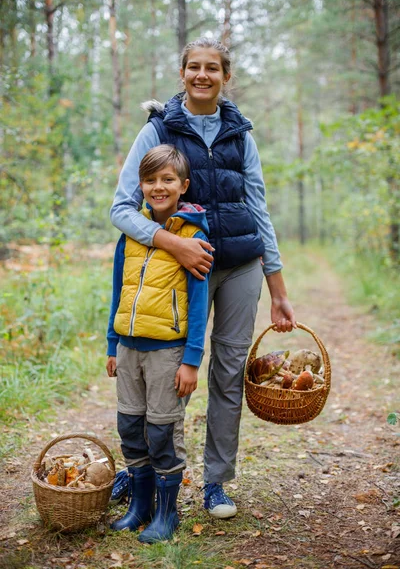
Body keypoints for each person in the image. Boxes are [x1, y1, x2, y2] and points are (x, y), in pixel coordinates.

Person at [110, 37, 296, 520]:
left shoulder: (241, 135)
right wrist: (174, 243)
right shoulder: (159, 130)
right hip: (178, 269)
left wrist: (277, 289)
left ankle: (216, 482)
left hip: (239, 266)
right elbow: (121, 209)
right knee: (169, 371)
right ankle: (145, 471)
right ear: (182, 73)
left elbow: (259, 209)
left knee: (229, 372)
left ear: (225, 76)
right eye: (194, 66)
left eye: (212, 68)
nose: (202, 75)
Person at [106, 144, 210, 542]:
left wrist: (192, 359)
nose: (158, 187)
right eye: (150, 180)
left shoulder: (193, 236)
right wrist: (113, 344)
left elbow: (199, 304)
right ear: (141, 185)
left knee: (163, 431)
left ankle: (167, 515)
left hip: (168, 351)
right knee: (130, 426)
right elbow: (119, 290)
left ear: (183, 185)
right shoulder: (131, 232)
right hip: (130, 349)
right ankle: (140, 506)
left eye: (167, 180)